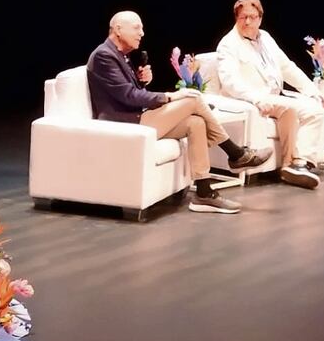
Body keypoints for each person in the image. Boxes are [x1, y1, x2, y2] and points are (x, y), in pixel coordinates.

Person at [87, 11, 272, 214]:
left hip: (137, 118)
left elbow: (126, 92)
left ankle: (204, 193)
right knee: (192, 99)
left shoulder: (121, 55)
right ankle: (236, 153)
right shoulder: (104, 56)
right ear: (118, 29)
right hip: (124, 124)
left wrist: (142, 81)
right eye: (137, 28)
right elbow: (128, 96)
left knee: (196, 123)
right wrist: (169, 96)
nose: (142, 33)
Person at [216, 0, 324, 189]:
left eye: (252, 17)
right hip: (252, 98)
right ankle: (294, 164)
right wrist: (256, 99)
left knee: (315, 109)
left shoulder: (265, 38)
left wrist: (312, 90)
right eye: (243, 17)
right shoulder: (228, 44)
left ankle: (299, 163)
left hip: (276, 96)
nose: (247, 22)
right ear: (236, 18)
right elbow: (230, 81)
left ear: (260, 18)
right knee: (299, 110)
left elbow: (287, 67)